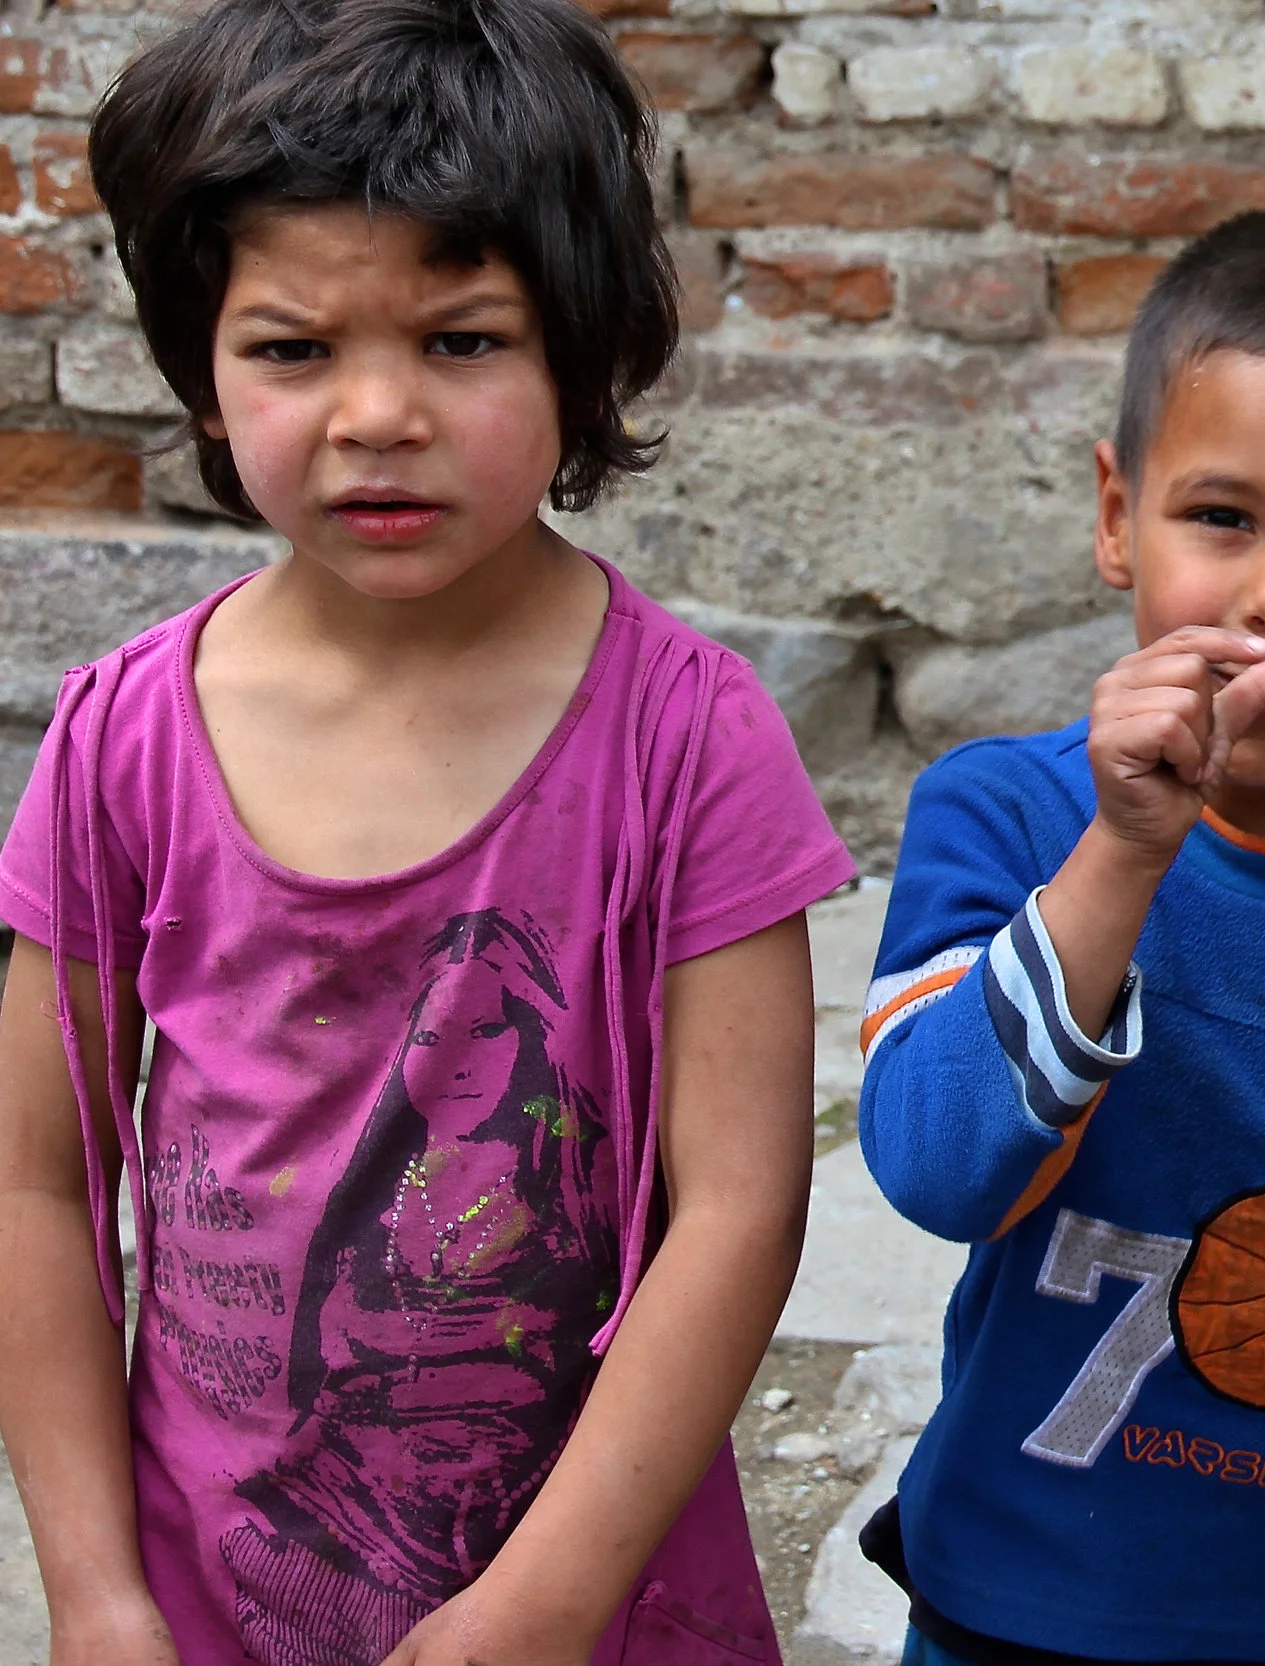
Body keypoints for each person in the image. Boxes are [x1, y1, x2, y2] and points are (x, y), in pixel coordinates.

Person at [0, 0, 854, 1659]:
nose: (375, 413)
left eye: (460, 341)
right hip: (209, 1597)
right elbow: (37, 1177)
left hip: (595, 1603)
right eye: (293, 348)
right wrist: (95, 1589)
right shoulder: (121, 744)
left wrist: (540, 1603)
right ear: (199, 363)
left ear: (583, 350)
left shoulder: (689, 739)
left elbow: (740, 1202)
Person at [852, 208, 1265, 1665]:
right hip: (1011, 1598)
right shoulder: (1007, 818)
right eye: (1223, 516)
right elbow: (934, 1163)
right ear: (1117, 515)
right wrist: (1123, 852)